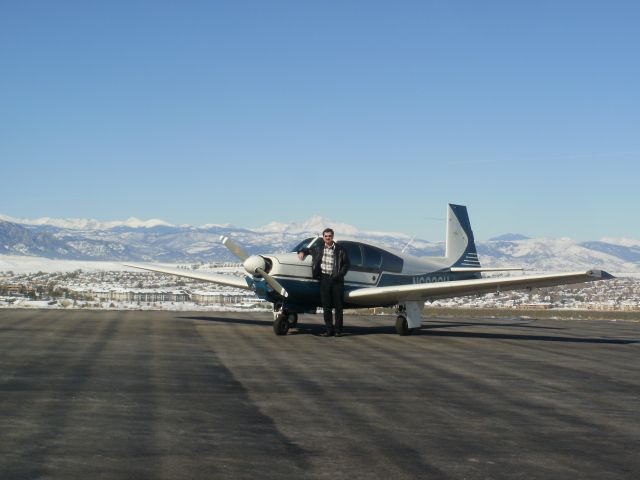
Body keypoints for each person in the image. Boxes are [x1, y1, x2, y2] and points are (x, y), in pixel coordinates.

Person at [297, 228, 350, 337]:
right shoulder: (318, 248)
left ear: (332, 237)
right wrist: (302, 252)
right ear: (323, 237)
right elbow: (308, 249)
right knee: (326, 306)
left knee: (338, 307)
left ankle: (338, 331)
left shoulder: (340, 249)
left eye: (329, 236)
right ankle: (329, 330)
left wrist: (339, 275)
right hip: (324, 279)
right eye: (325, 236)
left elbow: (346, 264)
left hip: (337, 280)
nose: (327, 238)